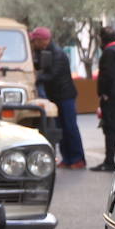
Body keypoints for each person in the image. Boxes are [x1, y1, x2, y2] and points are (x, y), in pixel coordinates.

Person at [30, 27, 85, 169]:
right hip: (56, 96)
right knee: (61, 128)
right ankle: (67, 158)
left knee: (70, 128)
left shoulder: (58, 54)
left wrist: (36, 78)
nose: (33, 43)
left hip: (65, 96)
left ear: (42, 40)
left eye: (34, 41)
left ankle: (78, 158)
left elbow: (52, 75)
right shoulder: (45, 52)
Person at [92, 27, 115, 171]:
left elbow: (106, 75)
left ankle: (109, 161)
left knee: (110, 128)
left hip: (111, 96)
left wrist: (103, 93)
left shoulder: (109, 52)